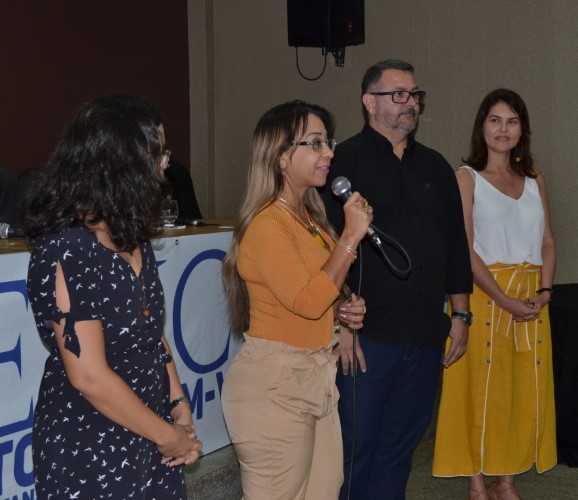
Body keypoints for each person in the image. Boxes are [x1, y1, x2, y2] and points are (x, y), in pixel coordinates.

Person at [22, 94, 202, 499]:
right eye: (156, 153)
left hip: (152, 432)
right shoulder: (66, 248)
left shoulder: (132, 235)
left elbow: (151, 333)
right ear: (119, 162)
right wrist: (168, 436)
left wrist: (179, 405)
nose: (165, 165)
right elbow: (89, 376)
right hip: (90, 445)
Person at [320, 59, 473, 499]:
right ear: (370, 102)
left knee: (399, 450)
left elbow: (455, 245)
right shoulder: (342, 164)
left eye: (415, 95)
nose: (411, 104)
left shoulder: (436, 166)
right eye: (399, 94)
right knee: (356, 448)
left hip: (424, 335)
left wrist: (460, 313)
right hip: (367, 337)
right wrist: (340, 324)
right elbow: (324, 247)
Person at [220, 100, 373, 499]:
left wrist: (341, 311)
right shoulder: (267, 224)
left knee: (325, 489)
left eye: (328, 142)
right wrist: (350, 237)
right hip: (274, 384)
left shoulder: (309, 218)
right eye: (316, 143)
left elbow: (316, 295)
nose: (329, 153)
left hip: (314, 375)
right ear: (282, 156)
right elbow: (306, 301)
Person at [432, 88, 557, 500]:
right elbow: (464, 250)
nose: (504, 129)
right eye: (495, 120)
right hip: (484, 297)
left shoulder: (535, 177)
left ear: (523, 130)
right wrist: (503, 300)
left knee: (518, 392)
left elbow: (547, 241)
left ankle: (506, 481)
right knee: (477, 391)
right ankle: (476, 486)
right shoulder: (465, 179)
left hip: (531, 297)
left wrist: (545, 292)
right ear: (481, 126)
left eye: (512, 121)